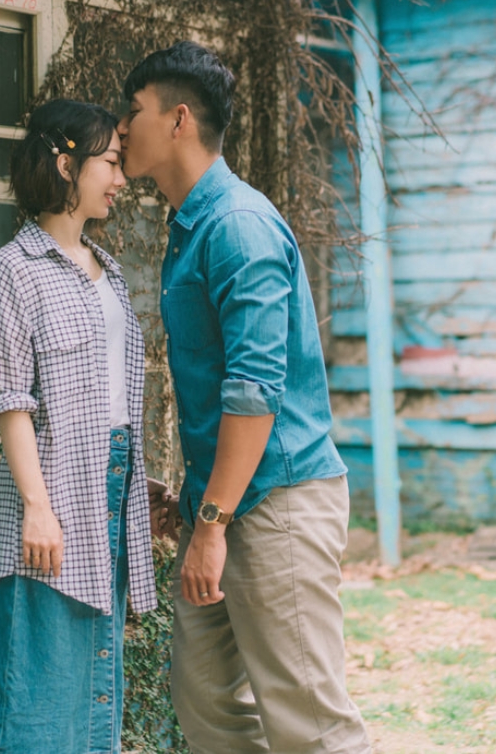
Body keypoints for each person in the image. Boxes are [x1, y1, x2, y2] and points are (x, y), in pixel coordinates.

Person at [118, 41, 372, 754]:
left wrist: (212, 525)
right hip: (227, 503)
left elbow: (255, 392)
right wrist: (198, 502)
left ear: (177, 120)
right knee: (208, 710)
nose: (120, 127)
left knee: (310, 725)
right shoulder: (194, 226)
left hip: (276, 507)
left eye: (132, 112)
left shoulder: (236, 226)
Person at [0, 99, 156, 754]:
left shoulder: (110, 272)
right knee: (31, 694)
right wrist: (37, 508)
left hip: (112, 490)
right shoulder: (11, 271)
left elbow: (119, 399)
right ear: (66, 163)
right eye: (109, 163)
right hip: (53, 494)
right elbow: (13, 403)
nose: (121, 179)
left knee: (94, 685)